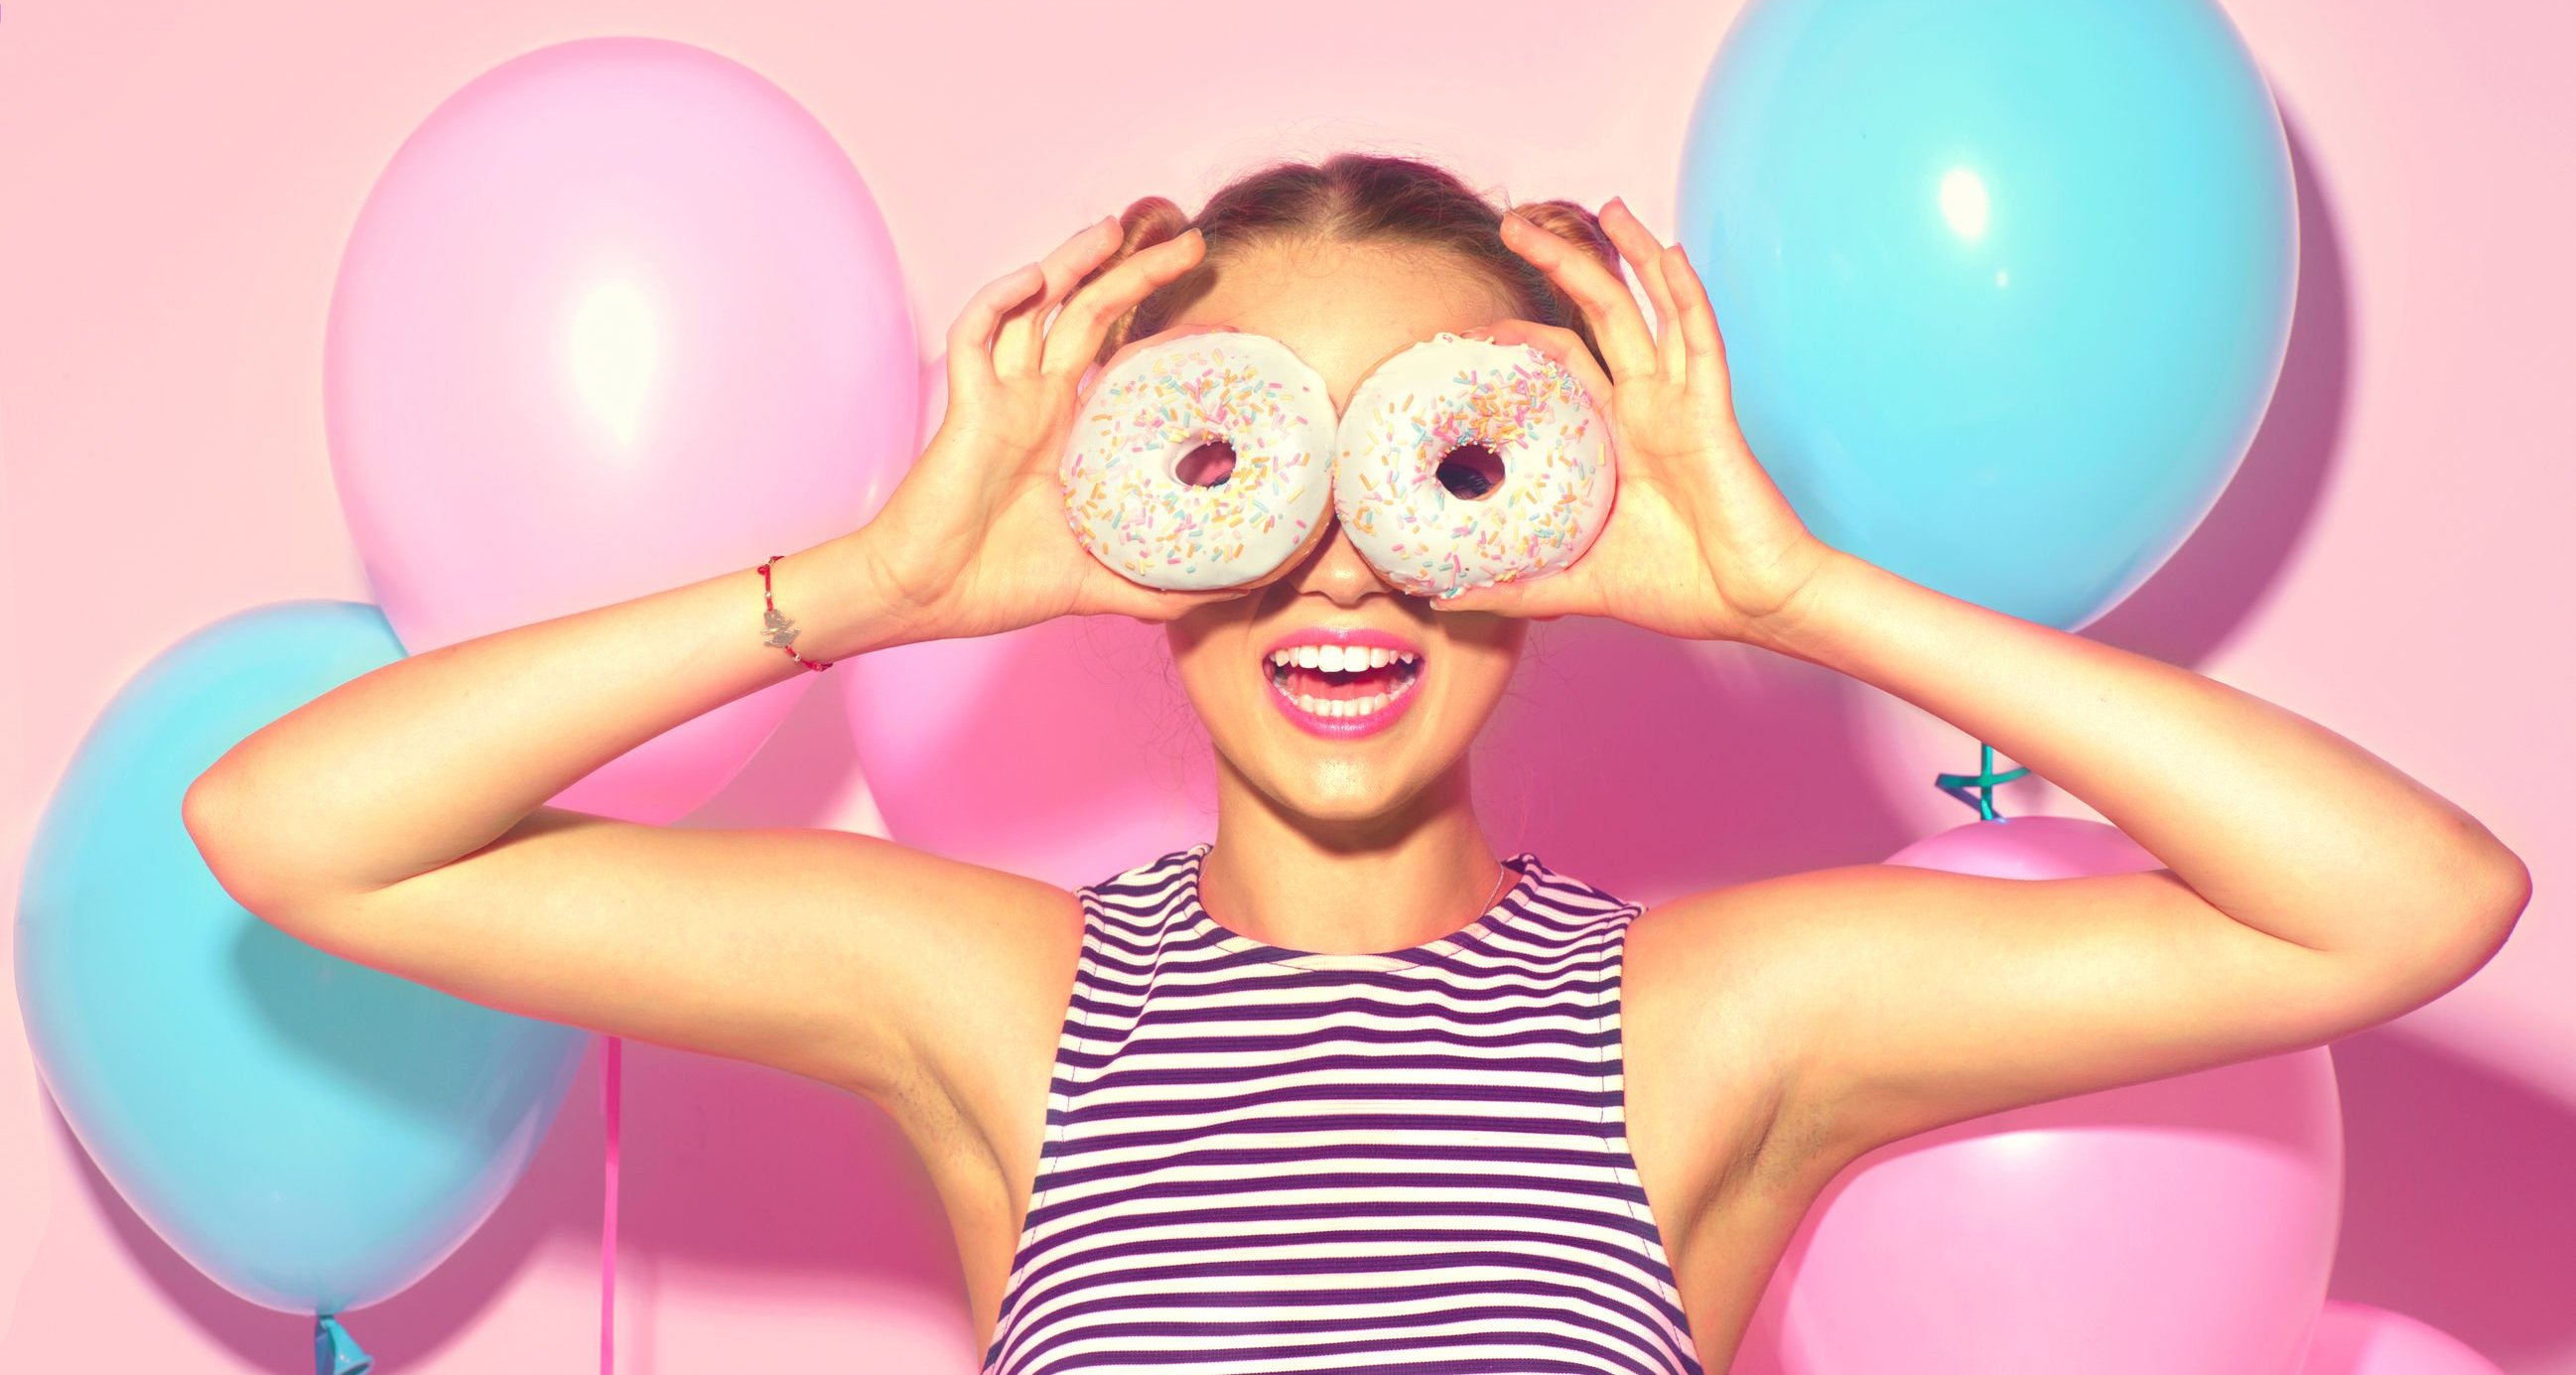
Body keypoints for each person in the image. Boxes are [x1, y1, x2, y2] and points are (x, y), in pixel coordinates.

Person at [183, 153, 2530, 1375]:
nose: (1336, 577)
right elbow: (292, 830)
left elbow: (2404, 901)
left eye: (1436, 472)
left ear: (1544, 507)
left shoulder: (1703, 1021)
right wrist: (872, 582)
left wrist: (1794, 593)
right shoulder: (998, 1005)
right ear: (1127, 518)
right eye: (1229, 466)